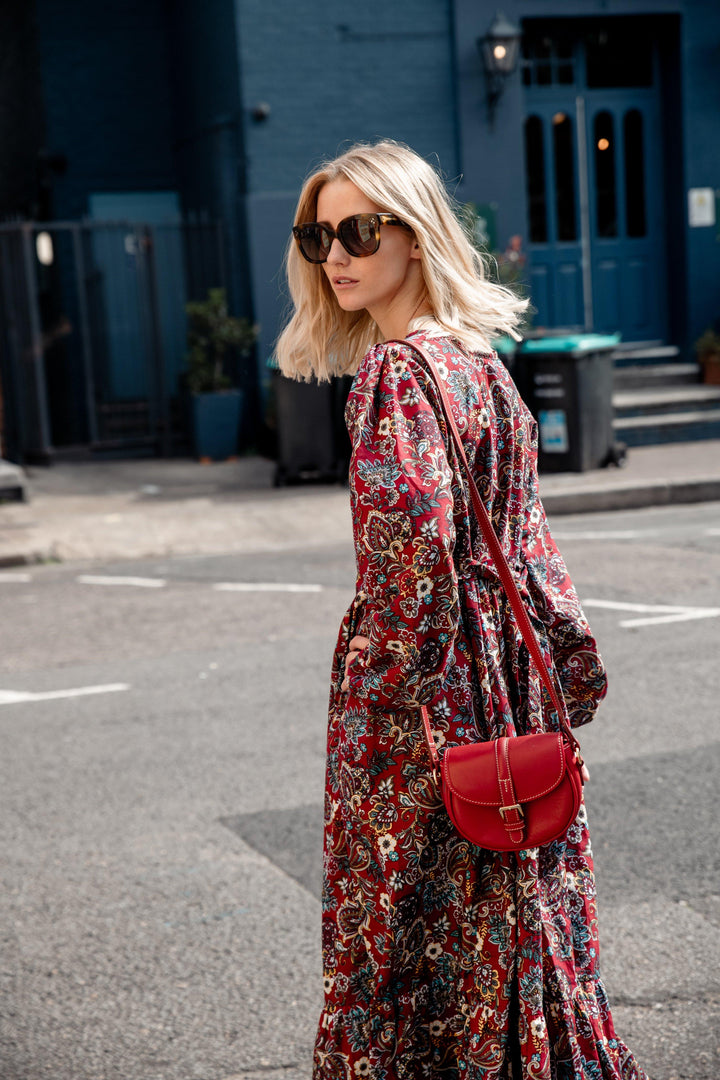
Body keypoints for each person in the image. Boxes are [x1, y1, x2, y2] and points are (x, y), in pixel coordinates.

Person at [276, 140, 648, 1080]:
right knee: (511, 899)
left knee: (413, 914)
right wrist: (554, 684)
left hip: (428, 688)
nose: (337, 254)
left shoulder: (399, 373)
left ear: (416, 232)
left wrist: (380, 693)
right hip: (503, 681)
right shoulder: (479, 362)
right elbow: (529, 552)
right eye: (319, 235)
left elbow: (412, 564)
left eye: (361, 229)